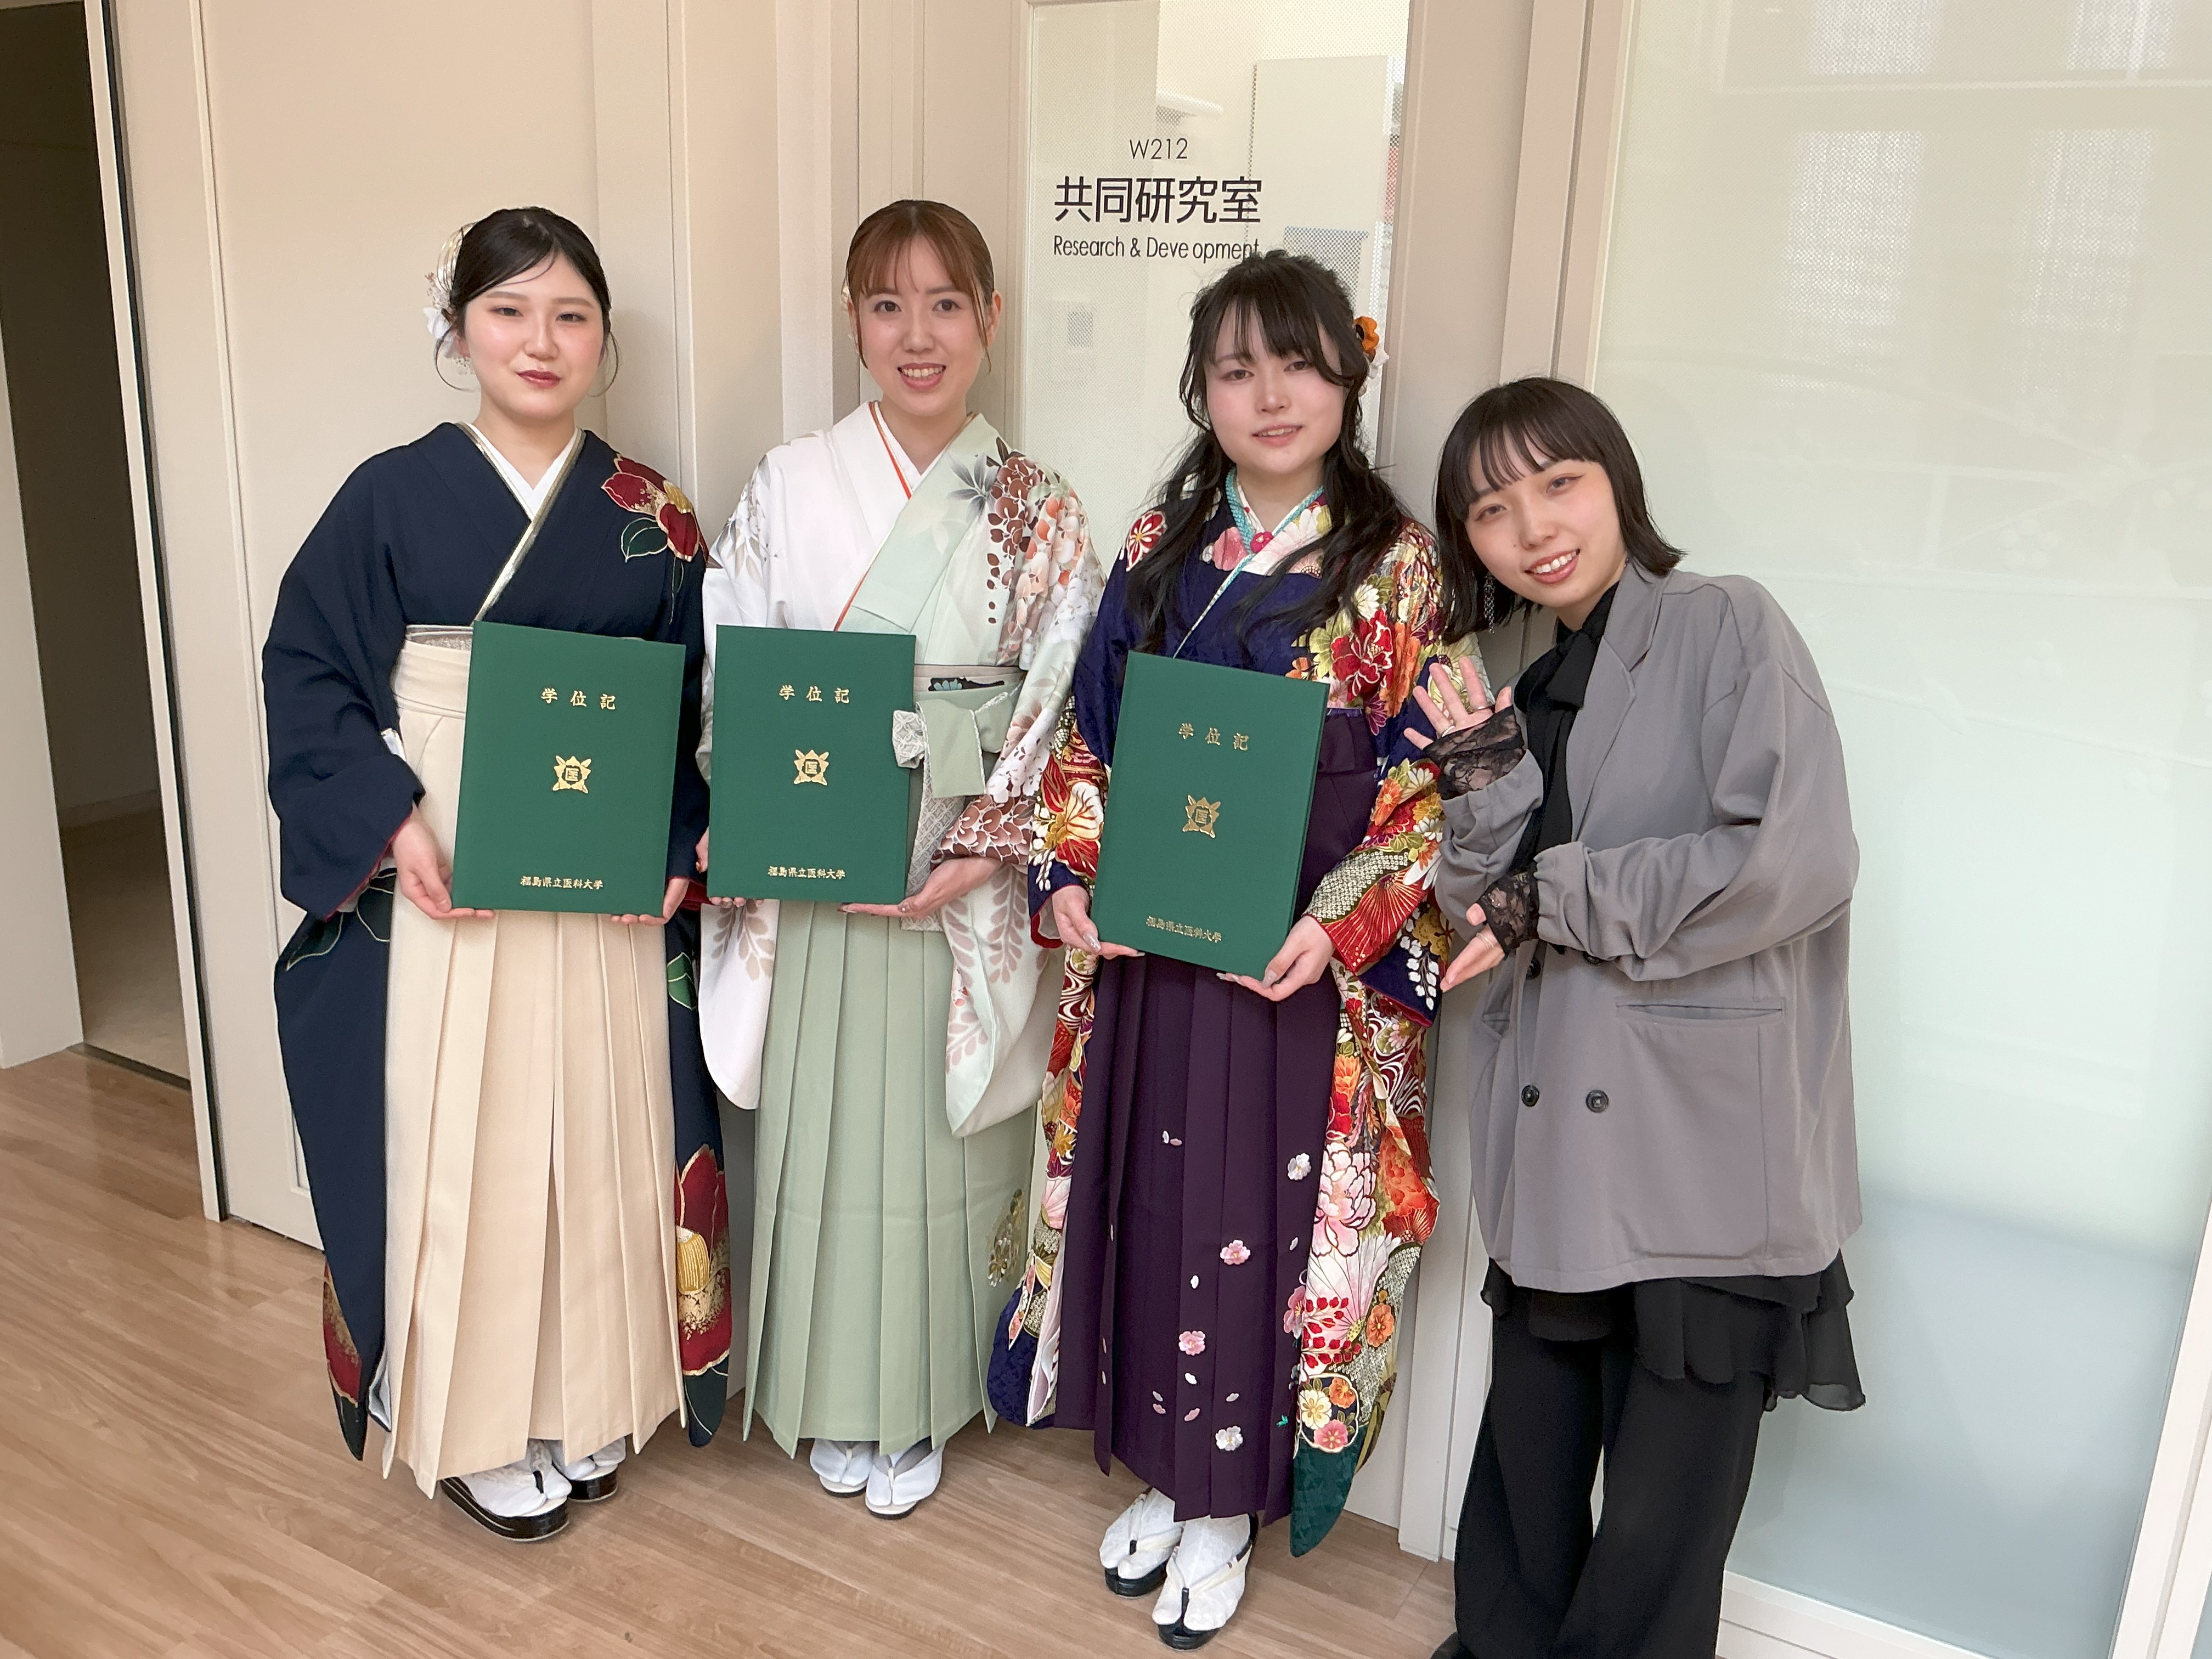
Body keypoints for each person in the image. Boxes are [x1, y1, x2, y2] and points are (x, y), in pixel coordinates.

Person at [995, 250, 1480, 1649]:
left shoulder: (1398, 568)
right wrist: (1068, 875)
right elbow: (1089, 739)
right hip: (1153, 956)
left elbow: (1423, 792)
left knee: (1261, 1228)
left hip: (1295, 976)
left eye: (1300, 365)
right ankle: (1165, 1470)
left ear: (1348, 379)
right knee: (1153, 1206)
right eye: (1237, 369)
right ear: (1201, 391)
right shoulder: (1162, 544)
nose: (1271, 396)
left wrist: (1337, 926)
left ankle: (1224, 1508)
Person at [263, 207, 731, 1542]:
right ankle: (473, 1421)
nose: (541, 340)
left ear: (604, 341)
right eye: (509, 310)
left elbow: (696, 705)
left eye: (571, 315)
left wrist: (679, 841)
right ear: (459, 329)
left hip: (601, 854)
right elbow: (308, 668)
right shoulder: (389, 495)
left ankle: (592, 1388)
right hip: (450, 841)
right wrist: (387, 820)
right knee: (460, 1125)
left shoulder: (656, 514)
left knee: (600, 1113)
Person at [1418, 376, 1864, 1659]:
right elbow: (1479, 915)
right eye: (1492, 510)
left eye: (1559, 483)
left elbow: (1794, 859)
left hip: (1697, 1149)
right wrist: (1485, 788)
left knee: (1663, 1522)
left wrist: (1548, 894)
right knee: (1530, 1471)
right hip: (1560, 1141)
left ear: (1617, 481)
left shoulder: (1730, 626)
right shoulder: (1524, 687)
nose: (1534, 528)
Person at [693, 199, 1107, 1519]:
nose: (916, 335)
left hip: (956, 878)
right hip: (820, 856)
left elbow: (1066, 692)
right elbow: (732, 658)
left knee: (942, 1148)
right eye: (887, 305)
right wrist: (759, 807)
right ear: (853, 323)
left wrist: (987, 844)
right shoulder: (789, 483)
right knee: (824, 1139)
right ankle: (831, 1394)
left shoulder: (1038, 506)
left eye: (944, 304)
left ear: (991, 319)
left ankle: (925, 1395)